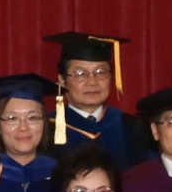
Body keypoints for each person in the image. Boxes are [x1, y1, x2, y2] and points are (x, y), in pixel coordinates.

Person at [43, 32, 130, 160]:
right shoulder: (44, 129)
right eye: (80, 73)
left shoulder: (132, 127)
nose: (92, 82)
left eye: (100, 72)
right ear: (62, 80)